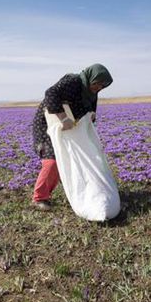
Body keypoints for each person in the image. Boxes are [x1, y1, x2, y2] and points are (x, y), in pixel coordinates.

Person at [31, 63, 114, 211]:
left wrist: (91, 116)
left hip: (70, 127)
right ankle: (39, 198)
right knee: (52, 161)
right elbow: (50, 93)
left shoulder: (91, 91)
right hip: (48, 125)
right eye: (97, 84)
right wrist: (63, 118)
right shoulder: (74, 81)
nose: (98, 88)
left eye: (102, 86)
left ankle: (76, 192)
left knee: (71, 158)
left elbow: (90, 108)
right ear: (90, 77)